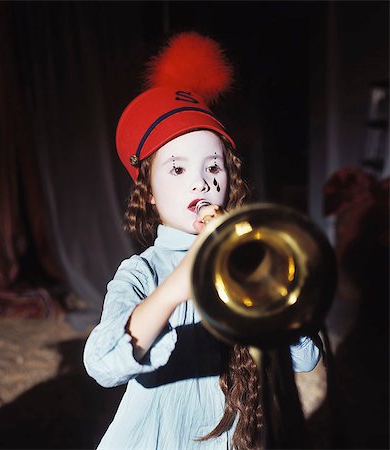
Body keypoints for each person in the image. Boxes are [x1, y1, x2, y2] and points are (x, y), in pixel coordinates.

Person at [83, 32, 320, 450]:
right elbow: (101, 364)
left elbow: (305, 360)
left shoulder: (245, 261)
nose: (203, 181)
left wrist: (275, 291)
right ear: (149, 193)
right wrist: (176, 287)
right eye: (177, 169)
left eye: (214, 167)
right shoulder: (142, 272)